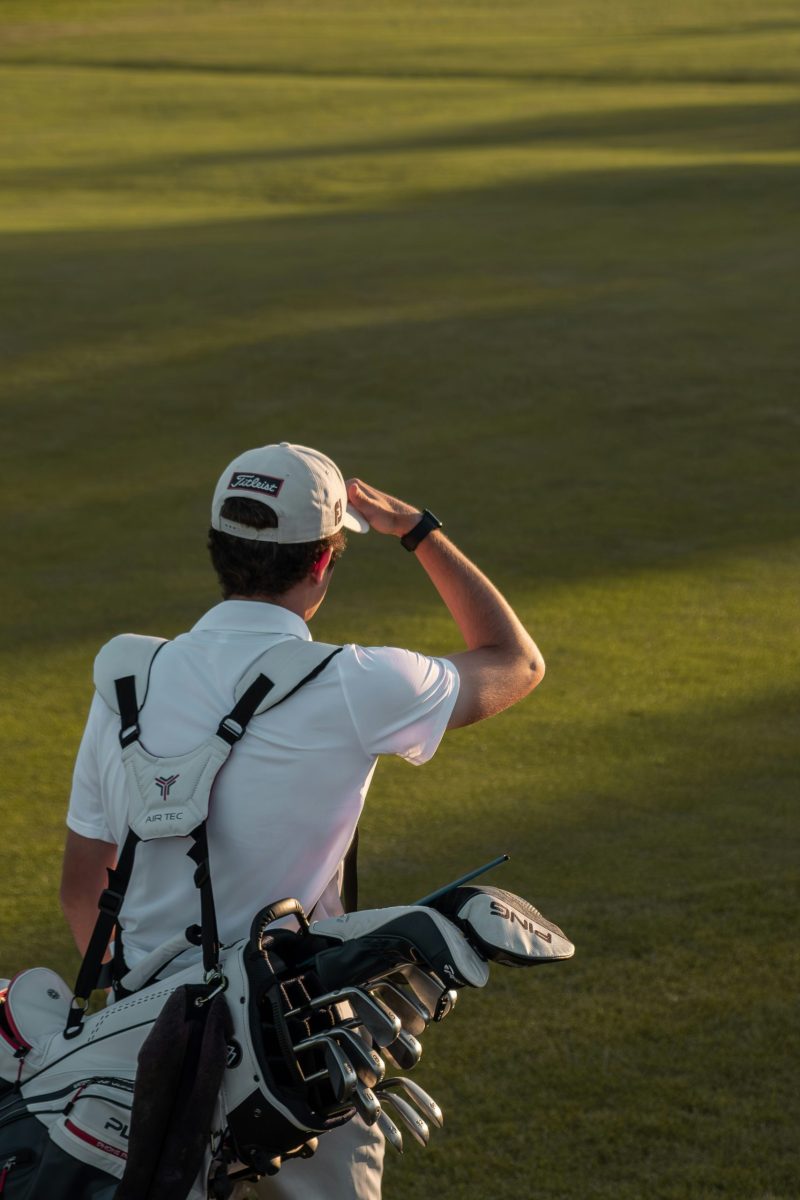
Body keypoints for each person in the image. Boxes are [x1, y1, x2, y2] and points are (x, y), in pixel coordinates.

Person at [61, 441, 545, 1200]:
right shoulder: (359, 681)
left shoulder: (127, 674)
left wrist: (148, 1013)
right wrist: (420, 530)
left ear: (219, 548)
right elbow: (515, 662)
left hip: (138, 1040)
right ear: (322, 562)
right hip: (307, 1040)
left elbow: (83, 886)